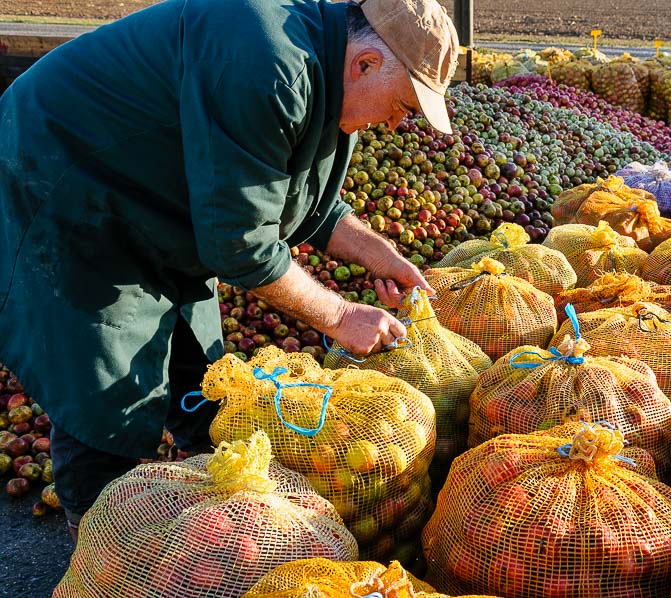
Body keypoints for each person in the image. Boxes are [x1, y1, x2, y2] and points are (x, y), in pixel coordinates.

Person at [0, 0, 459, 539]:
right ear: (364, 64)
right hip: (68, 185)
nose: (397, 123)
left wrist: (383, 256)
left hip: (161, 205)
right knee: (104, 381)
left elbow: (307, 206)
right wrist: (337, 315)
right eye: (404, 105)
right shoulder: (268, 65)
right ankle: (100, 545)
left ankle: (213, 512)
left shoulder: (331, 78)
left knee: (207, 377)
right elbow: (241, 247)